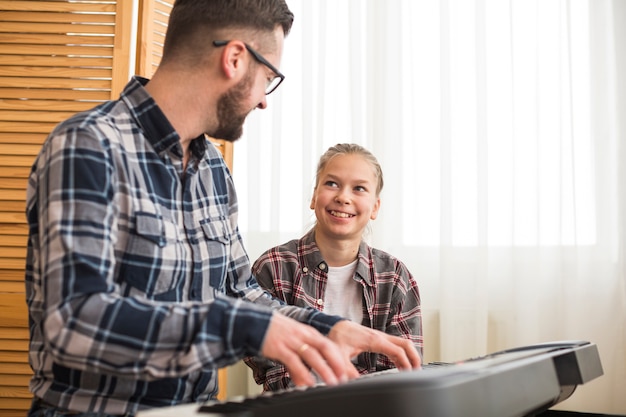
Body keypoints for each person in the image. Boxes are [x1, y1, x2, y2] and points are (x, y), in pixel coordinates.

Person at [24, 1, 421, 416]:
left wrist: (329, 328)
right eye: (268, 77)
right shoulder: (88, 147)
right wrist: (241, 326)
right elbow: (73, 320)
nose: (265, 100)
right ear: (234, 58)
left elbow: (241, 294)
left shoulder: (213, 167)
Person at [244, 143, 423, 391]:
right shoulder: (273, 266)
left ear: (375, 208)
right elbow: (259, 355)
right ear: (314, 196)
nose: (343, 197)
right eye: (332, 184)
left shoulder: (395, 278)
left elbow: (400, 373)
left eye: (359, 188)